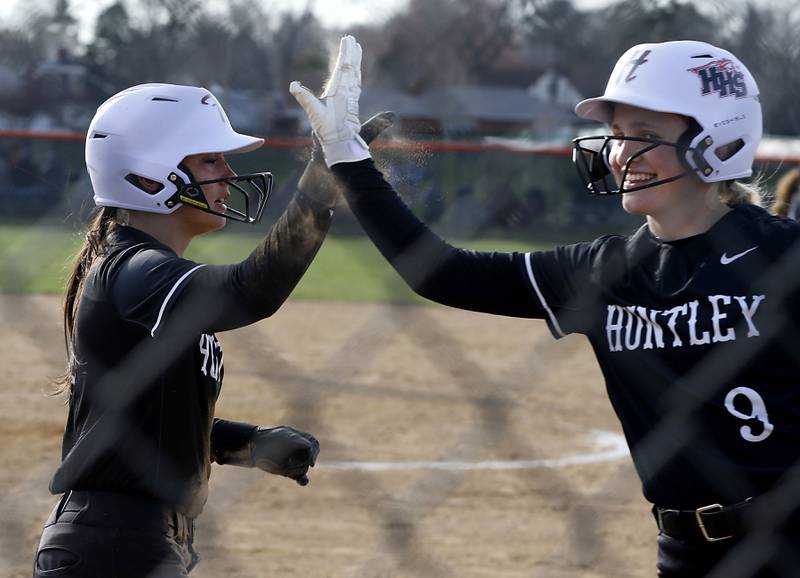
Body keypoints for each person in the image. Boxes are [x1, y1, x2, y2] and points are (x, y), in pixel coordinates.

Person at [291, 38, 800, 576]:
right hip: (683, 552)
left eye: (647, 137)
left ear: (719, 141)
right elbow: (443, 273)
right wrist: (350, 159)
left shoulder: (782, 255)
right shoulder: (606, 270)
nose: (623, 154)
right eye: (621, 135)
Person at [33, 67, 391, 577]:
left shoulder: (140, 275)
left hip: (131, 542)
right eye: (210, 159)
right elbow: (250, 291)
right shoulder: (135, 271)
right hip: (112, 546)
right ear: (150, 174)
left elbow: (145, 419)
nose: (227, 173)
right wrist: (321, 183)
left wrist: (247, 443)